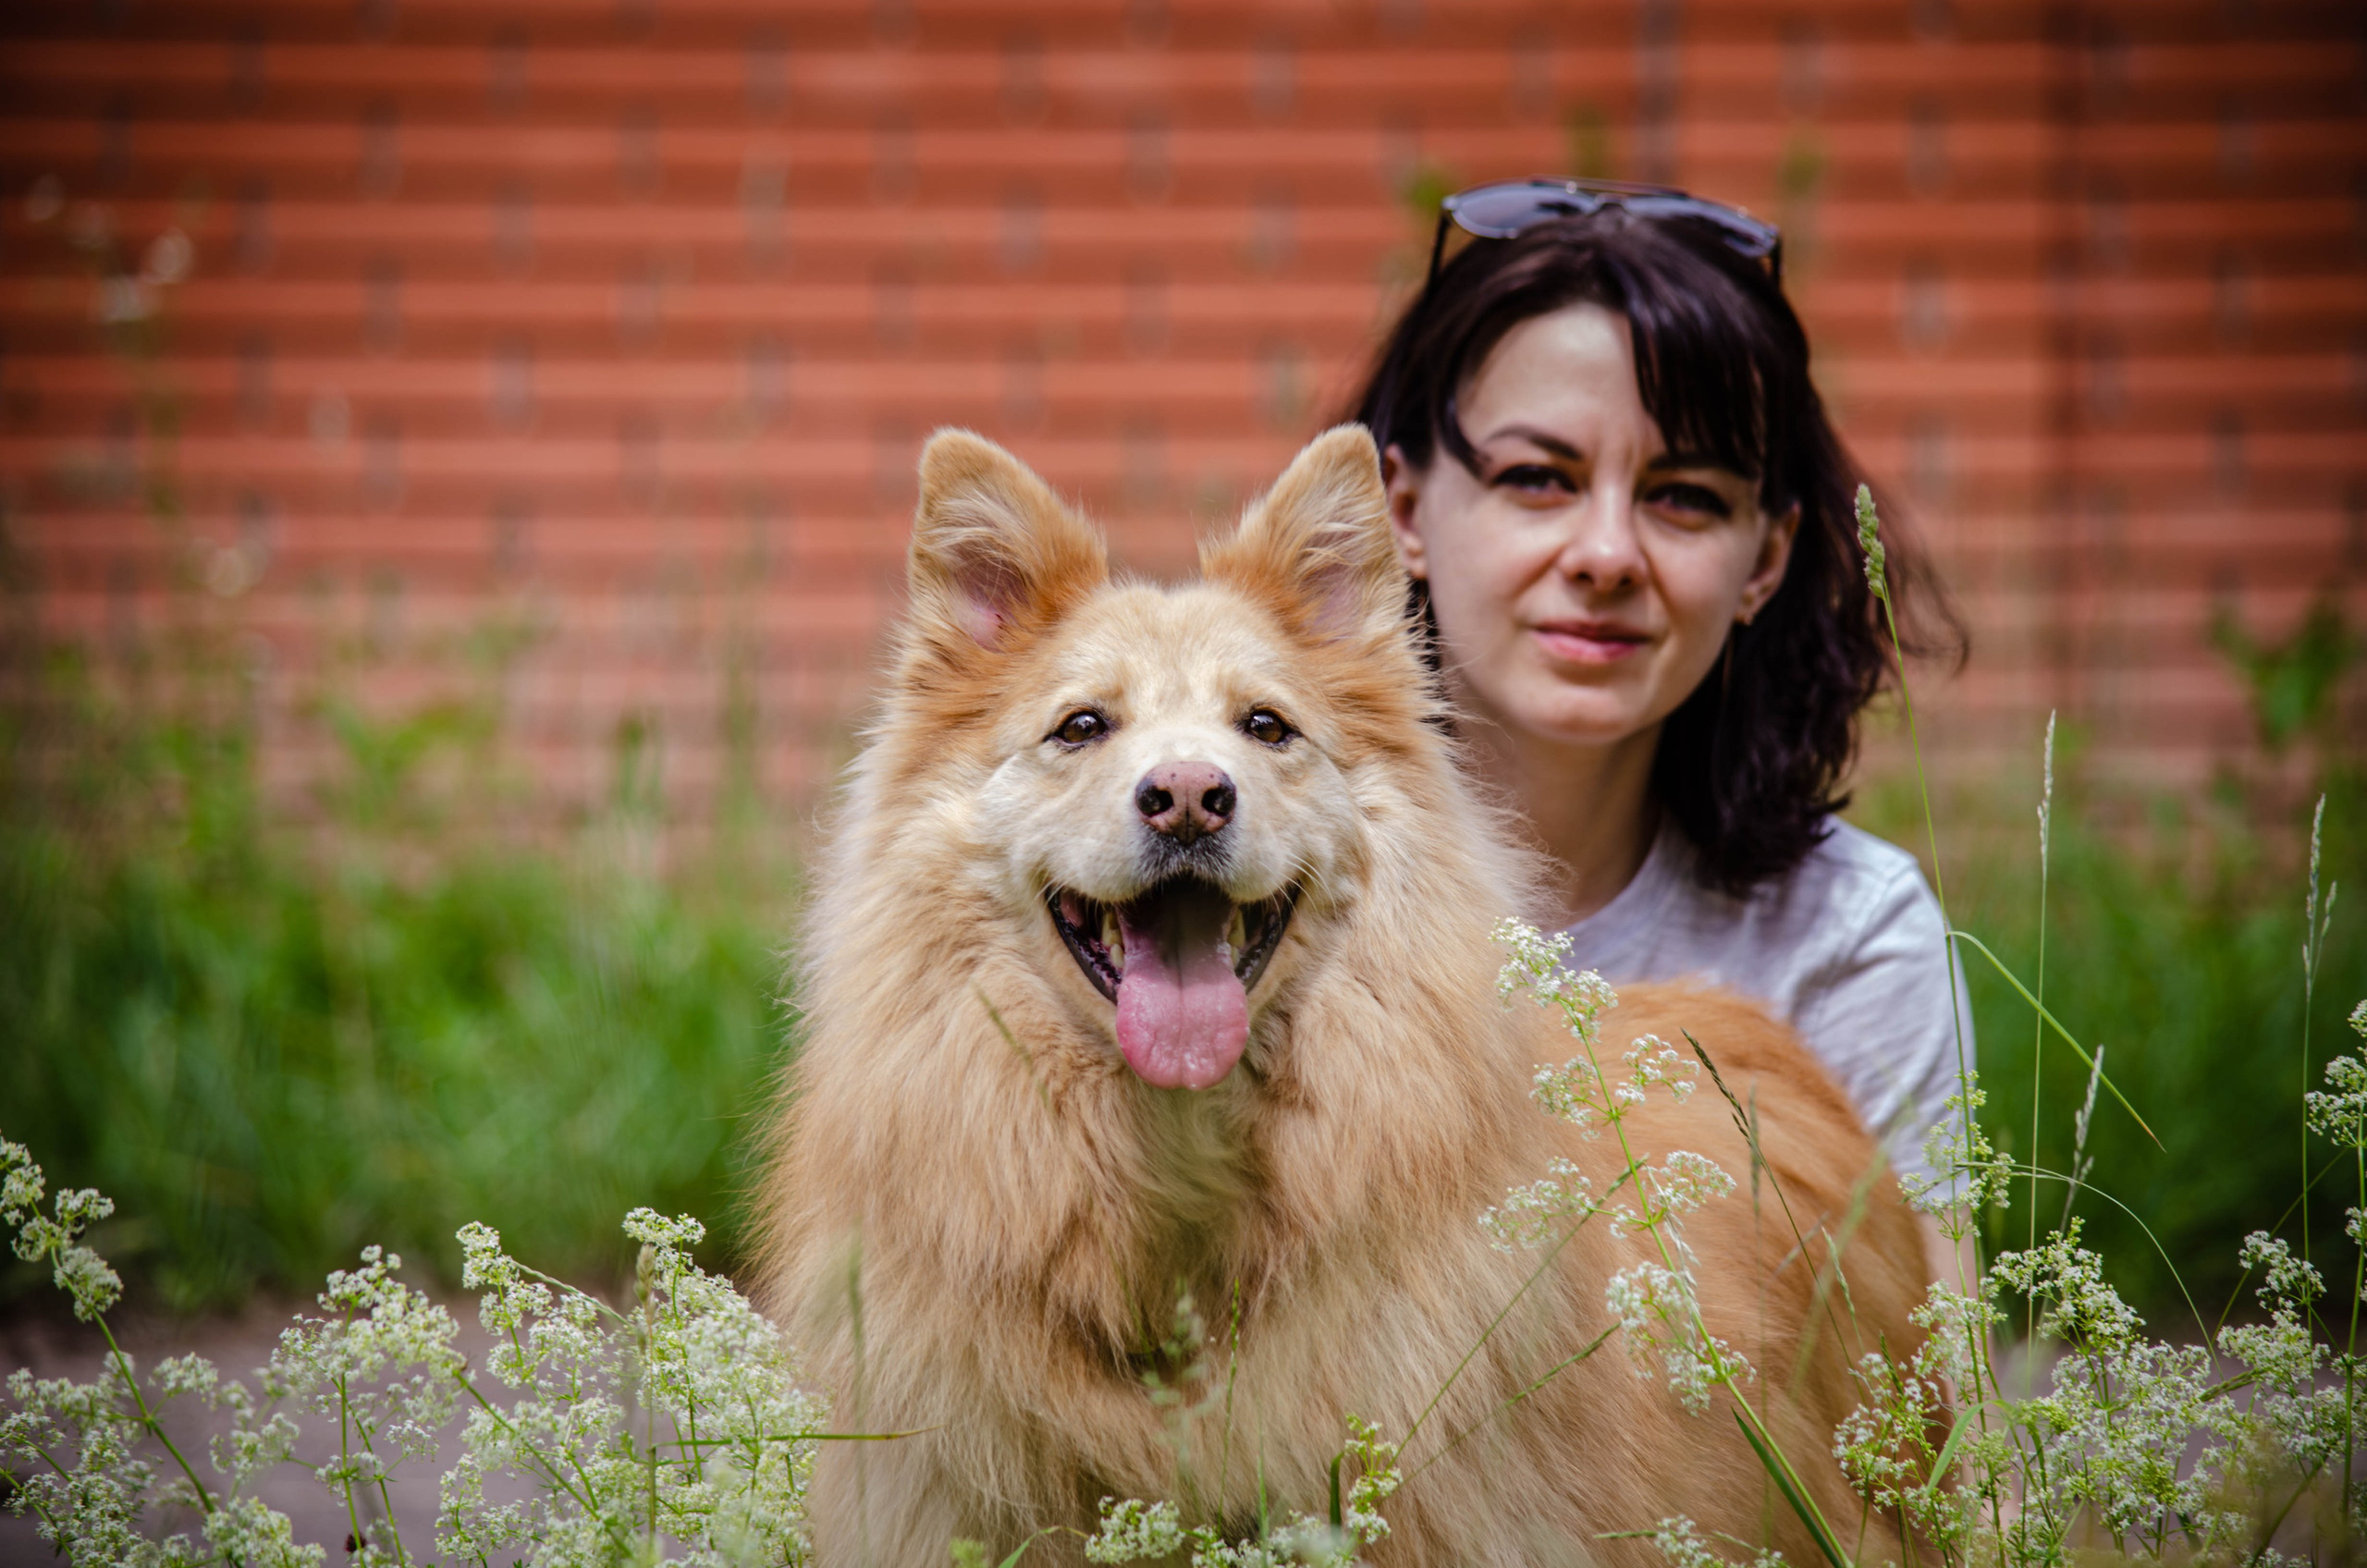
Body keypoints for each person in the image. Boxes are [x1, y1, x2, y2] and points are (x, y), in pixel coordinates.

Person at [1348, 178, 1973, 1279]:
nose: (1606, 555)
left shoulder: (1845, 938)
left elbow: (1936, 1373)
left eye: (1683, 495)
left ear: (1763, 559)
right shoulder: (1267, 887)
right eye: (1537, 478)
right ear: (1400, 510)